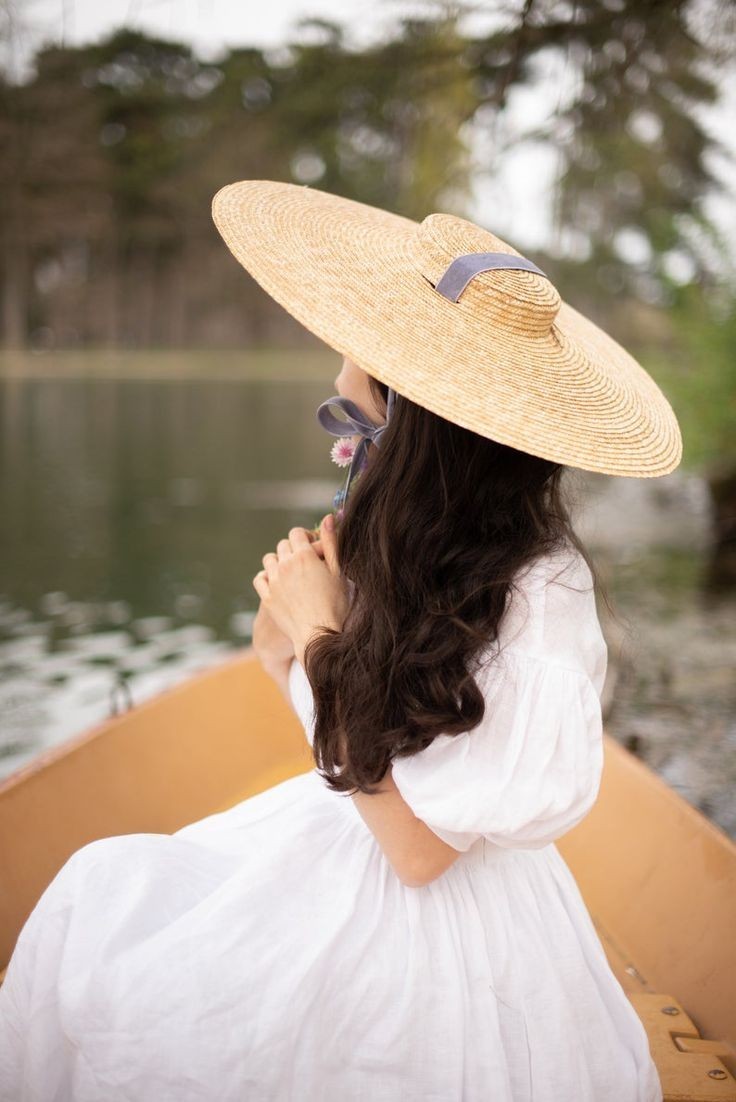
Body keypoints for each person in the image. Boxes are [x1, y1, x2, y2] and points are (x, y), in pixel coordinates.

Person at [0, 180, 682, 1101]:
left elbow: (419, 854)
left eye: (364, 372)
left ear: (416, 419)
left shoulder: (540, 597)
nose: (339, 384)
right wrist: (293, 607)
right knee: (99, 894)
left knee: (123, 949)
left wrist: (321, 629)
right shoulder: (421, 532)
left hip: (436, 924)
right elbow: (284, 672)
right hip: (348, 828)